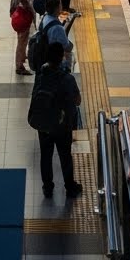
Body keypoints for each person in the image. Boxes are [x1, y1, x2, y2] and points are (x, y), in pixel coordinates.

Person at [32, 41, 83, 199]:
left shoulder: (41, 75)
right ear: (62, 57)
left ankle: (47, 187)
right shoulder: (67, 78)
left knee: (45, 156)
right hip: (62, 125)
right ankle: (69, 187)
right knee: (65, 155)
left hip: (43, 123)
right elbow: (78, 100)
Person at [10, 0, 39, 75]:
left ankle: (22, 57)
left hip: (17, 15)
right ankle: (19, 66)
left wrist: (11, 12)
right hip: (23, 17)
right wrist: (36, 21)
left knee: (21, 39)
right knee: (22, 42)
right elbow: (32, 5)